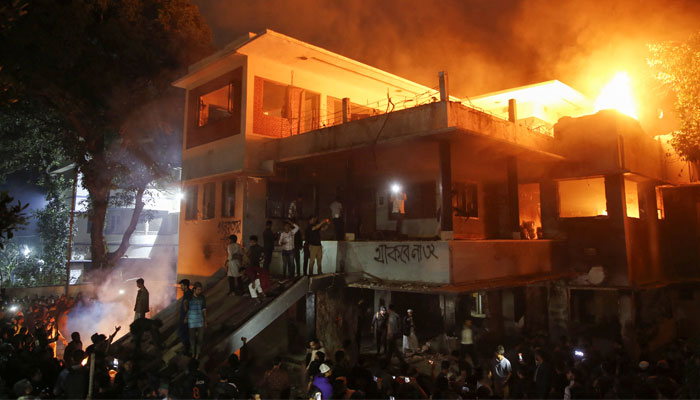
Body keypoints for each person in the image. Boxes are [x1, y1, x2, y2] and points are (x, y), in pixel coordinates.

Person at [184, 282, 207, 359]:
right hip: (192, 321)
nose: (200, 291)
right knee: (192, 338)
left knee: (200, 339)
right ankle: (193, 353)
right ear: (194, 289)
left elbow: (204, 309)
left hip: (200, 321)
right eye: (198, 290)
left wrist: (205, 321)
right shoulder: (190, 298)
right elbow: (187, 309)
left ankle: (197, 354)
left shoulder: (202, 298)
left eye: (200, 289)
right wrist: (186, 318)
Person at [177, 279, 192, 355]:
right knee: (182, 333)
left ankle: (187, 349)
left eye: (182, 285)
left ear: (185, 286)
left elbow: (190, 307)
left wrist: (186, 317)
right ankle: (187, 349)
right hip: (184, 317)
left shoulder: (188, 294)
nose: (181, 287)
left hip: (186, 318)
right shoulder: (186, 293)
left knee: (183, 333)